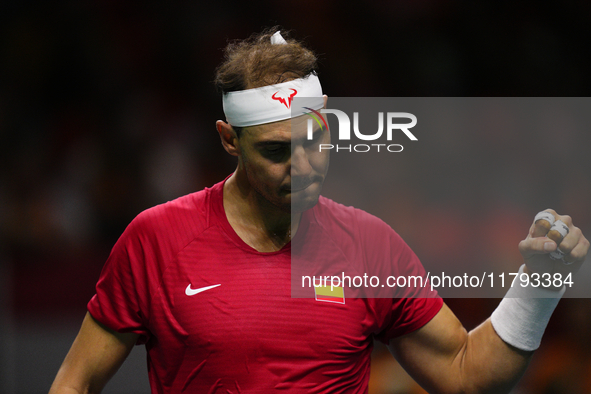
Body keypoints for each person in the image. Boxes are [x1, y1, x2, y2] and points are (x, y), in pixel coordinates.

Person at [49, 28, 589, 394]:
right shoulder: (156, 239)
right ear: (228, 140)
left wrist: (539, 285)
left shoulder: (369, 244)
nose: (303, 165)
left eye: (314, 140)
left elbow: (467, 375)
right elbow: (73, 383)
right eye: (277, 151)